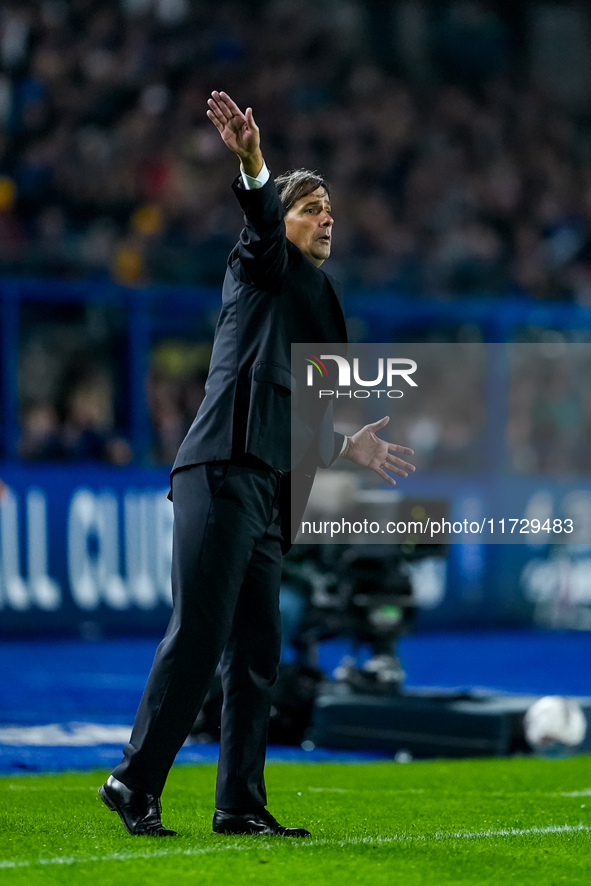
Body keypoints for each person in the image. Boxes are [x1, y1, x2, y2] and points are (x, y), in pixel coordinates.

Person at [99, 91, 415, 838]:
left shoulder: (317, 299)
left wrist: (347, 446)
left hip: (266, 486)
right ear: (282, 217)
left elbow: (297, 413)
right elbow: (260, 227)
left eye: (329, 207)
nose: (326, 216)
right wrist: (252, 166)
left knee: (256, 655)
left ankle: (238, 802)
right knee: (201, 635)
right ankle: (132, 779)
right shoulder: (261, 264)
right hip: (220, 470)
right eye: (310, 206)